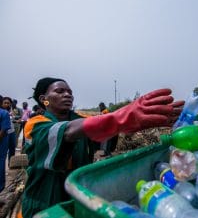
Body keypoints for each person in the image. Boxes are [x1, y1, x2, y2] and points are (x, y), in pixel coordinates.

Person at [21, 77, 184, 217]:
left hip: (77, 195)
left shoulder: (81, 118)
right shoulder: (34, 124)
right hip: (44, 202)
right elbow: (68, 131)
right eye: (60, 91)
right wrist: (118, 119)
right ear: (44, 99)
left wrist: (129, 125)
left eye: (70, 92)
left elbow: (102, 128)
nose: (67, 95)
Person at [0, 95, 11, 192]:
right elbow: (3, 130)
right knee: (1, 161)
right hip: (1, 142)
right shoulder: (4, 113)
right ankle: (1, 187)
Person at [2, 97, 17, 165]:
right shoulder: (1, 112)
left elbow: (11, 120)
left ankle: (11, 164)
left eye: (8, 103)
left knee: (12, 148)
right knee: (4, 150)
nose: (6, 104)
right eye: (5, 103)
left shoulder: (11, 111)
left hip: (12, 131)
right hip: (5, 133)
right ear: (2, 103)